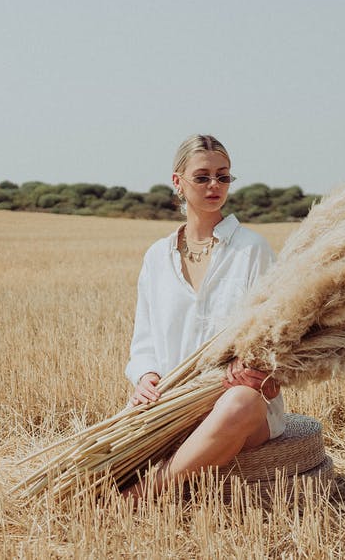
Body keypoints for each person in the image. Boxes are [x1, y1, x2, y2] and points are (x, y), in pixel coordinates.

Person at [122, 134, 286, 498]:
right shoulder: (156, 257)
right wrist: (145, 376)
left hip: (236, 401)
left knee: (240, 402)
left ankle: (146, 494)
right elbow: (144, 339)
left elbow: (273, 334)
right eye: (202, 177)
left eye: (223, 176)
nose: (215, 185)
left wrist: (255, 366)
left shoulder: (251, 250)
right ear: (177, 182)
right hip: (173, 402)